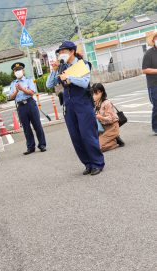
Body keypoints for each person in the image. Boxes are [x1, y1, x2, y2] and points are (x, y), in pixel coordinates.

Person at [46, 41, 105, 176]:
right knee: (76, 136)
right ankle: (88, 164)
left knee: (87, 134)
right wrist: (54, 71)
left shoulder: (82, 64)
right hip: (68, 104)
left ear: (72, 51)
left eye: (63, 51)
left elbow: (84, 83)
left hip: (83, 103)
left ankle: (97, 163)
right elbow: (49, 84)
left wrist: (69, 77)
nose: (61, 54)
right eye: (60, 52)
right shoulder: (62, 67)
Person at [9, 62, 47, 155]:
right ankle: (30, 147)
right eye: (16, 70)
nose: (17, 72)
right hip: (21, 106)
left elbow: (32, 92)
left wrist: (22, 89)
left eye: (19, 70)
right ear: (14, 72)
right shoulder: (13, 83)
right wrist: (17, 91)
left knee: (37, 125)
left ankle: (42, 145)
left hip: (30, 103)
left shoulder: (29, 80)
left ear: (23, 70)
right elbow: (11, 97)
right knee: (26, 128)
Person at [92, 83, 125, 152]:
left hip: (112, 127)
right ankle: (113, 139)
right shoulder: (95, 103)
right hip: (102, 128)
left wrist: (99, 117)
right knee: (92, 146)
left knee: (98, 148)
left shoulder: (106, 103)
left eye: (96, 94)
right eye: (93, 94)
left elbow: (110, 119)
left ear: (101, 92)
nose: (94, 96)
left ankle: (115, 142)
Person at [142, 31, 157, 134]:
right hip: (153, 85)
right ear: (153, 40)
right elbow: (144, 70)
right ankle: (155, 127)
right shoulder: (149, 53)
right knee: (156, 106)